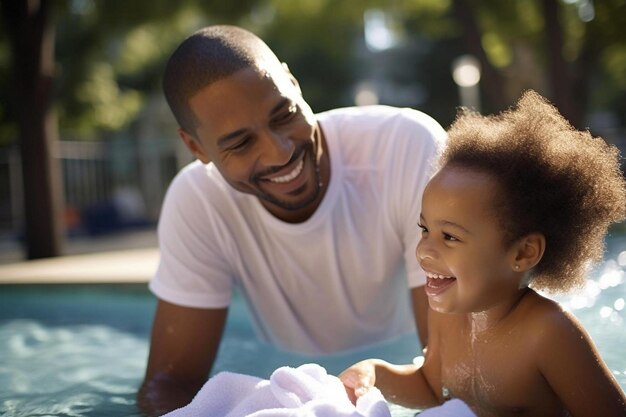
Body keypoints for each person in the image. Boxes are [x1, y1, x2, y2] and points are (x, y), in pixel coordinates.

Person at [137, 25, 447, 415]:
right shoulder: (197, 201)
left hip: (409, 375)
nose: (279, 151)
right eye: (241, 143)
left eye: (283, 114)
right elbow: (169, 384)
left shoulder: (405, 146)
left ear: (294, 84)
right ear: (196, 147)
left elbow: (453, 372)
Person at [340, 90, 626, 416]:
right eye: (424, 230)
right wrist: (374, 374)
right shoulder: (447, 312)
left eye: (449, 236)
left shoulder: (548, 334)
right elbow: (432, 389)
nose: (423, 251)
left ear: (523, 253)